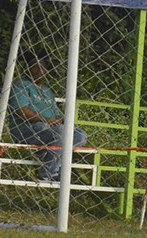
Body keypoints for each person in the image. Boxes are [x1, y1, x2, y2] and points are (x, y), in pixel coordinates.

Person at [7, 55, 88, 183]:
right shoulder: (21, 85)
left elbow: (55, 115)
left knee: (80, 135)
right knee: (59, 131)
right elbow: (20, 111)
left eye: (43, 67)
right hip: (28, 130)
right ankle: (48, 174)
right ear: (27, 69)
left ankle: (50, 153)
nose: (40, 70)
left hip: (52, 131)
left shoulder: (47, 91)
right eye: (36, 67)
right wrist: (46, 120)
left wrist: (62, 120)